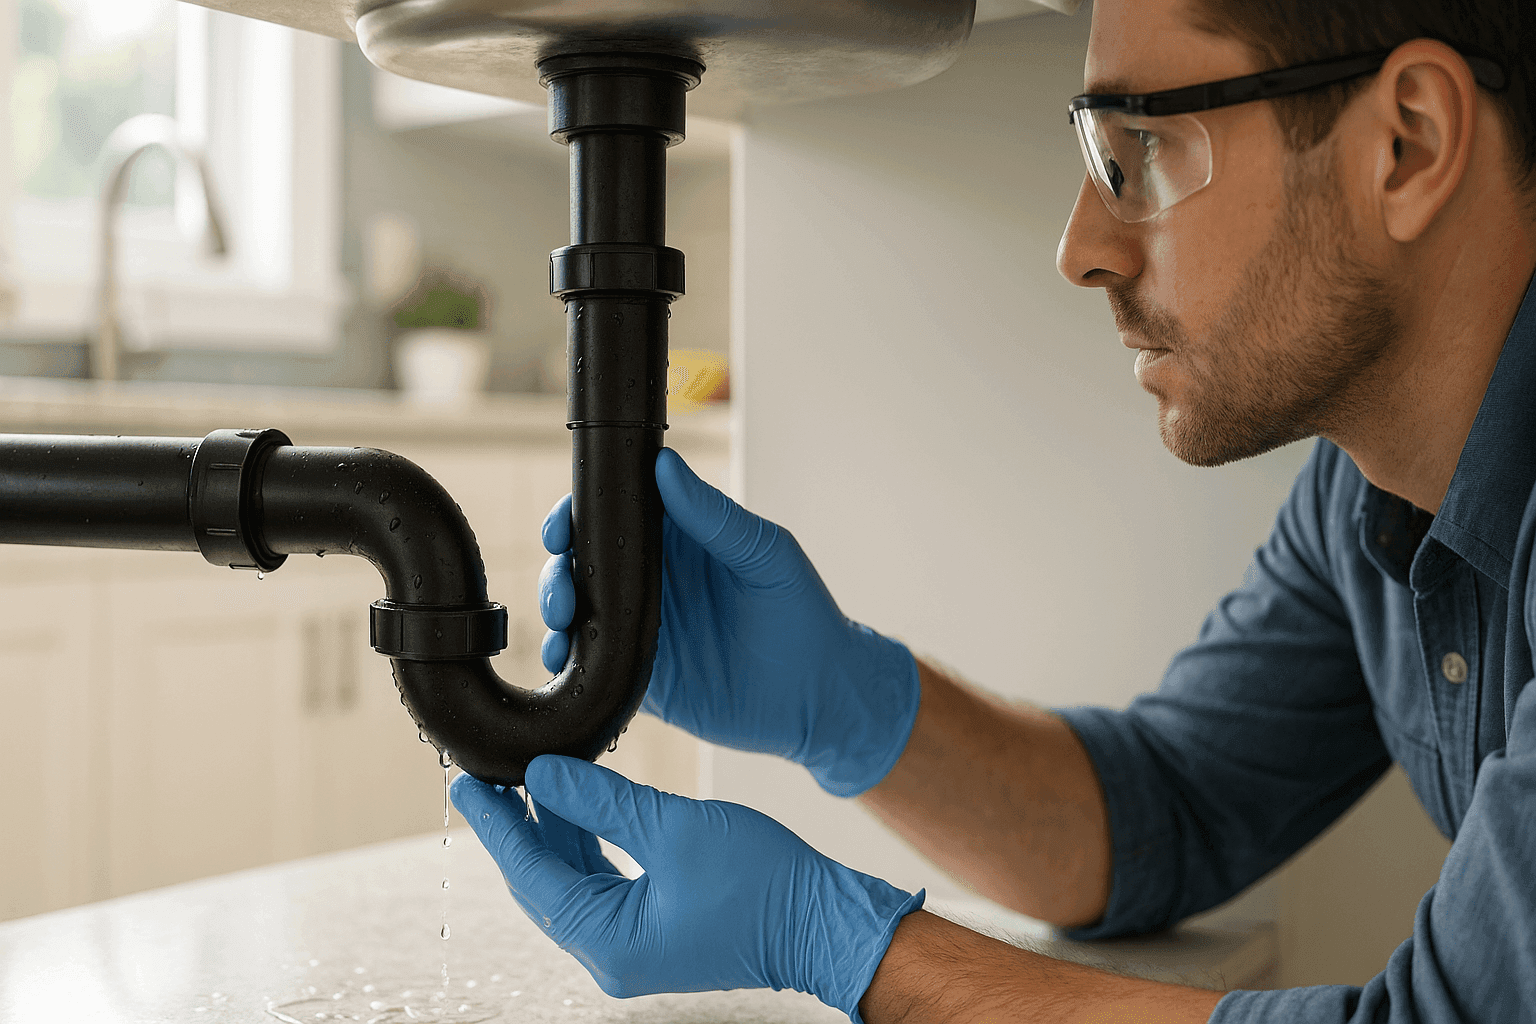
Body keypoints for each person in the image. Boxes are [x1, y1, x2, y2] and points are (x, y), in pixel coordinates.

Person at [450, 0, 1536, 1019]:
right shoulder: (1368, 494)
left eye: (1140, 150)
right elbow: (1166, 810)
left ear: (1409, 143)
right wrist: (846, 700)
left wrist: (839, 942)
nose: (1081, 248)